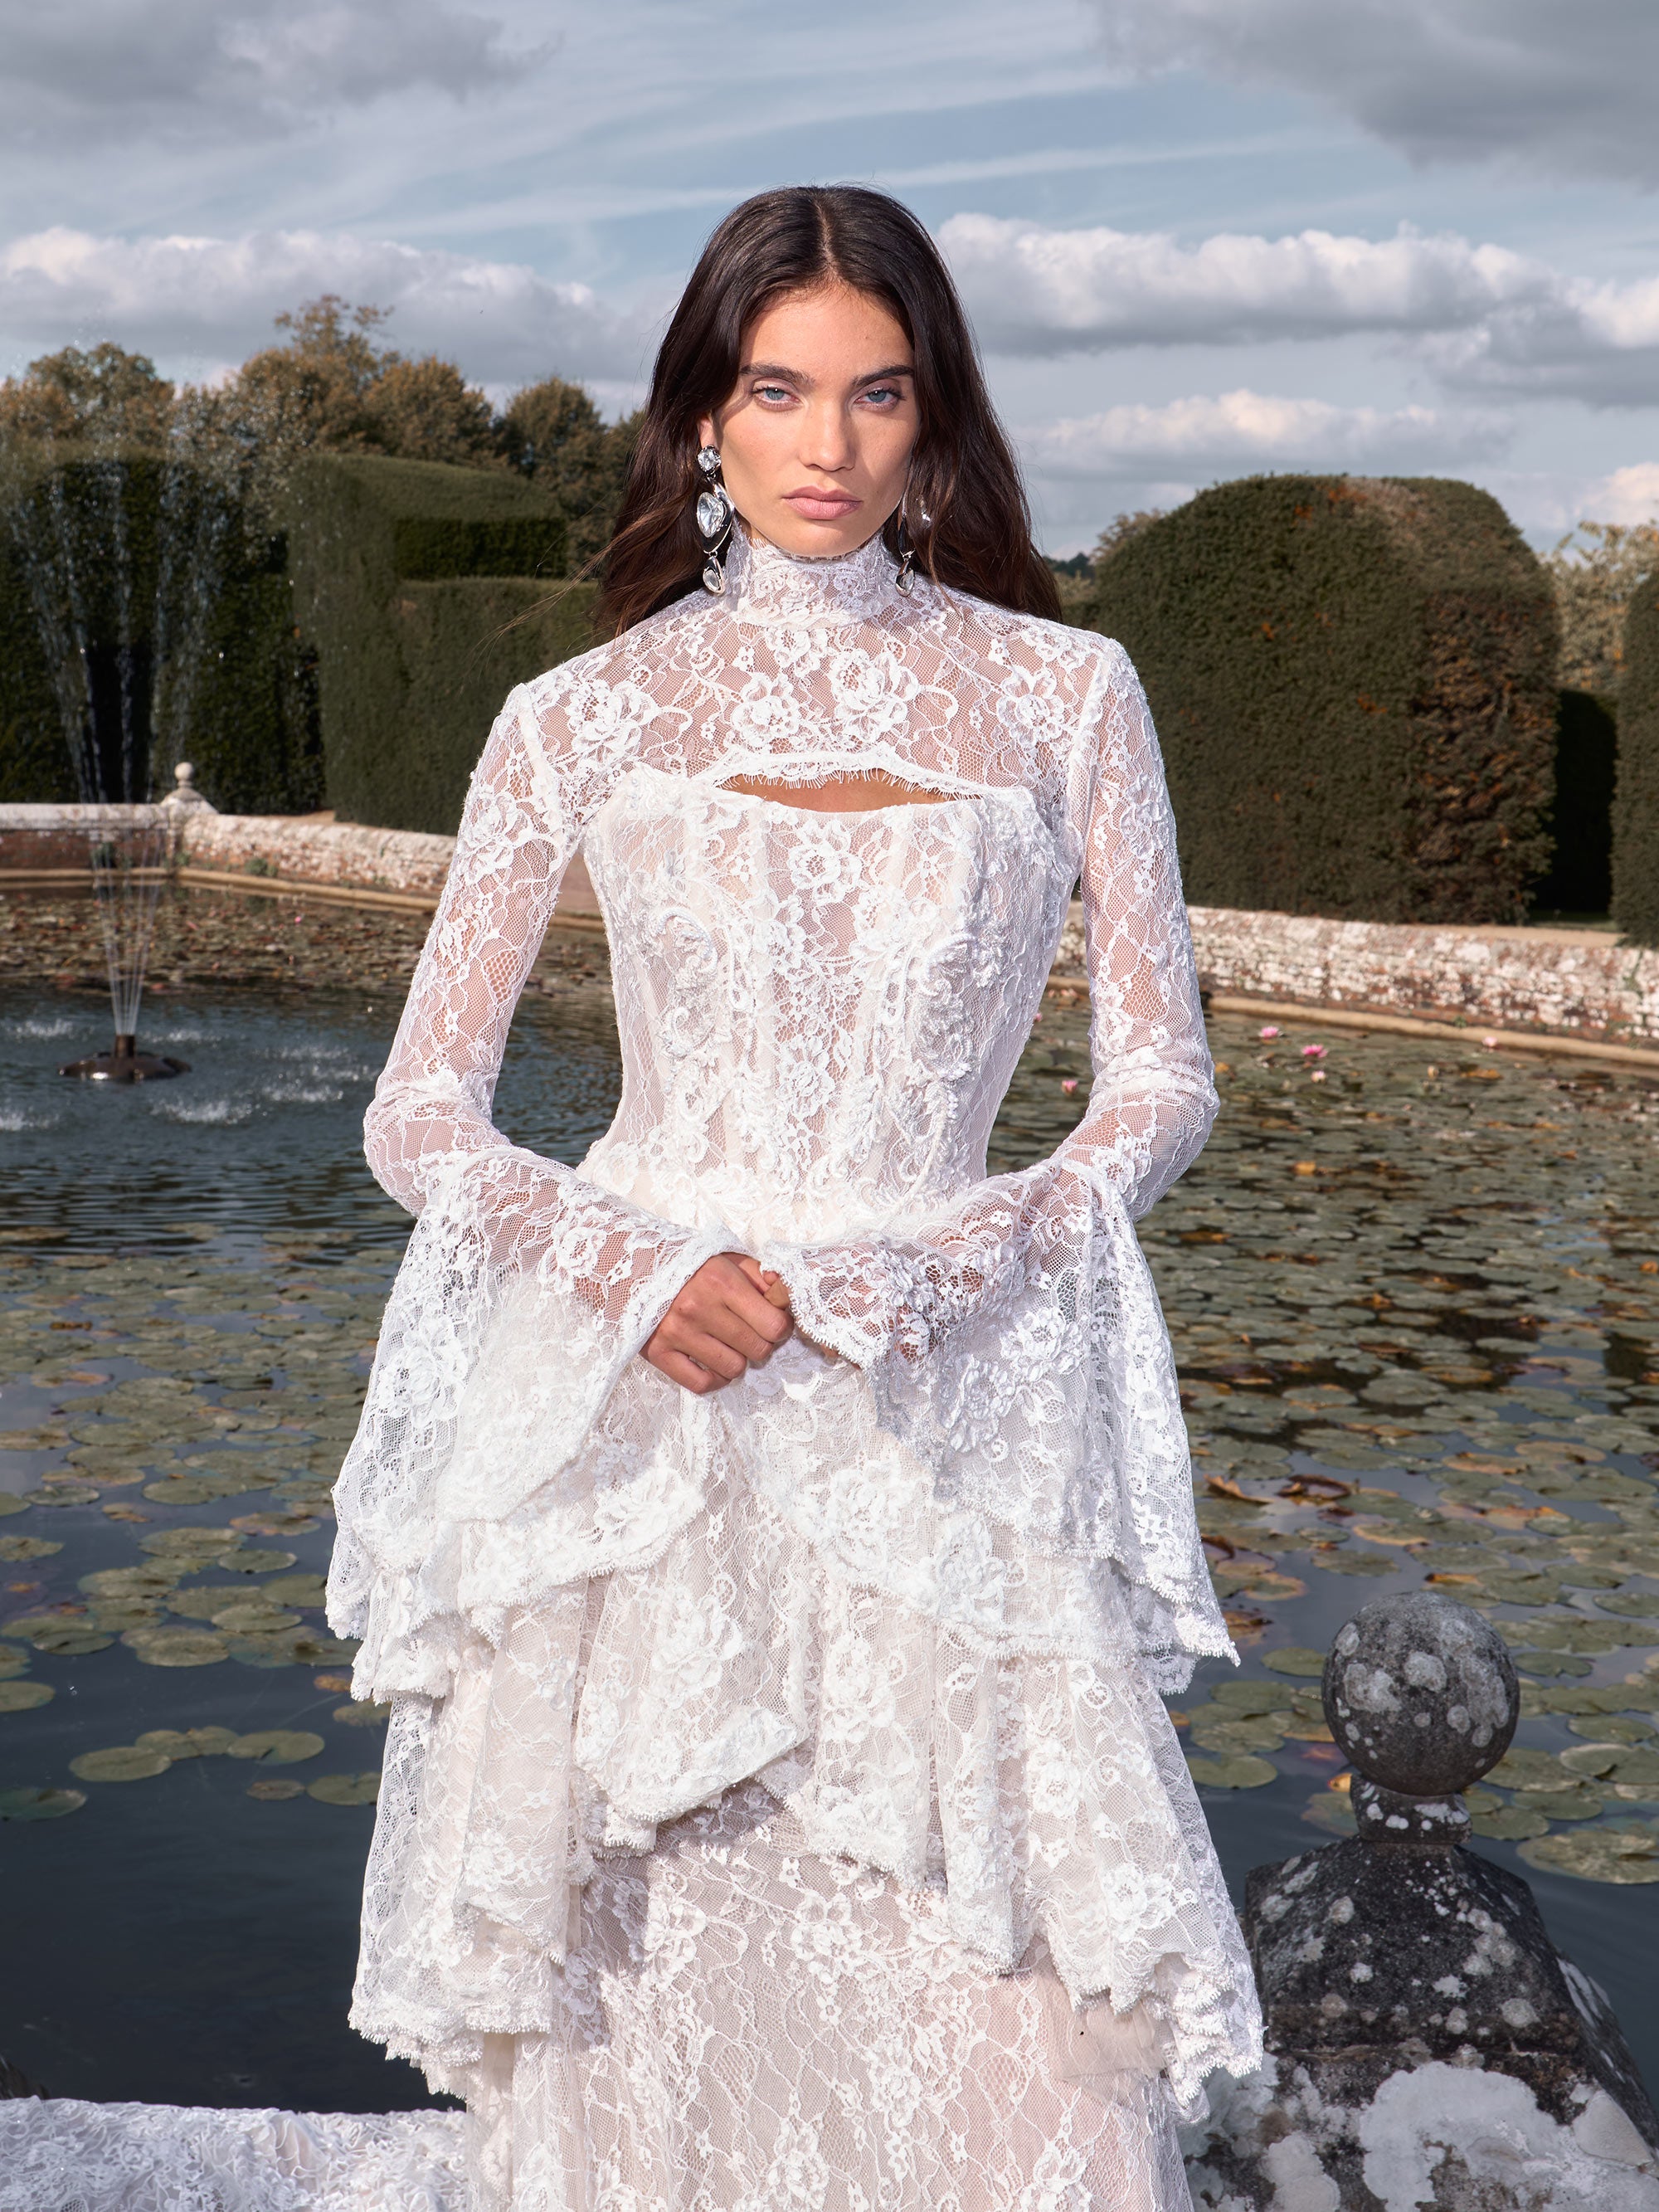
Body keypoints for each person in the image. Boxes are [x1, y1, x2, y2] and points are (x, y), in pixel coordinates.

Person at [326, 183, 1262, 2211]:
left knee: (1012, 2007)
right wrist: (626, 1265)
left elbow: (1162, 1072)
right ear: (703, 419)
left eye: (878, 393)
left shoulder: (1064, 690)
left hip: (950, 1395)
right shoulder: (574, 716)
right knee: (640, 2001)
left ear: (934, 422)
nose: (828, 445)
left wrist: (986, 1242)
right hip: (646, 1418)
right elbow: (421, 1112)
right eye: (778, 390)